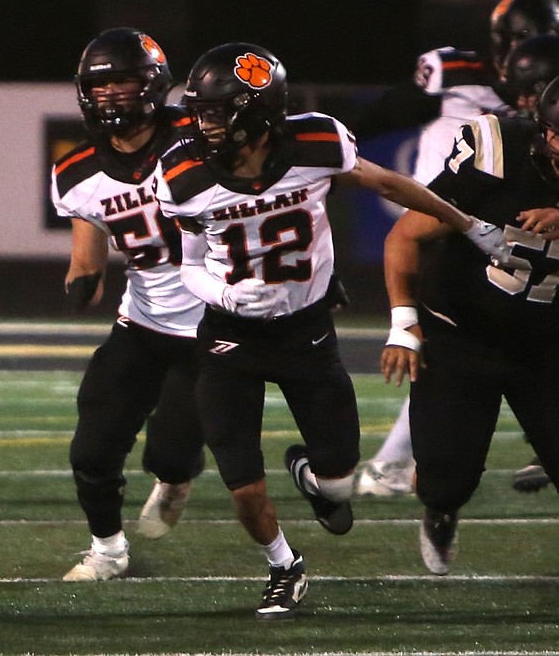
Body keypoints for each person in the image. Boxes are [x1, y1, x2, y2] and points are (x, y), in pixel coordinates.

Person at [154, 42, 513, 620]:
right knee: (243, 487)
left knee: (339, 489)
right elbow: (188, 264)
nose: (204, 124)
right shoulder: (182, 174)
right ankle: (283, 566)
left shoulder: (318, 141)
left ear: (257, 111)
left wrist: (467, 224)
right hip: (229, 337)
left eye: (218, 113)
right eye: (201, 112)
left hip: (306, 332)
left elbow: (391, 185)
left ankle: (310, 470)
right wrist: (223, 293)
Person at [357, 0, 559, 497]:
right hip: (456, 219)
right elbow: (385, 113)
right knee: (455, 340)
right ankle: (401, 465)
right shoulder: (464, 81)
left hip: (512, 230)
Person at [380, 74, 559, 575]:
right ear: (542, 131)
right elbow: (406, 235)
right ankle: (441, 511)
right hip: (463, 334)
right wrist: (403, 323)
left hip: (548, 345)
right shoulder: (496, 156)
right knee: (444, 482)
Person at [50, 28, 206, 582]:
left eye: (124, 82)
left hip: (216, 323)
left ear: (154, 84)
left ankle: (177, 474)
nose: (113, 95)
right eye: (102, 85)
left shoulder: (199, 135)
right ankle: (108, 550)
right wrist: (81, 284)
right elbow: (87, 261)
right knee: (93, 444)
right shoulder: (76, 172)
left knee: (170, 452)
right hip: (142, 320)